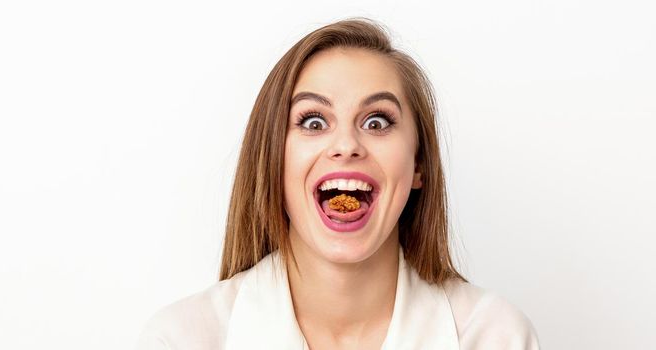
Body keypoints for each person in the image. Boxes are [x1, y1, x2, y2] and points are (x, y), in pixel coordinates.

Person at [136, 18, 540, 350]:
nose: (346, 145)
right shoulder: (181, 339)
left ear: (419, 165)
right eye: (313, 122)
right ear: (272, 161)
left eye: (377, 121)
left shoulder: (495, 336)